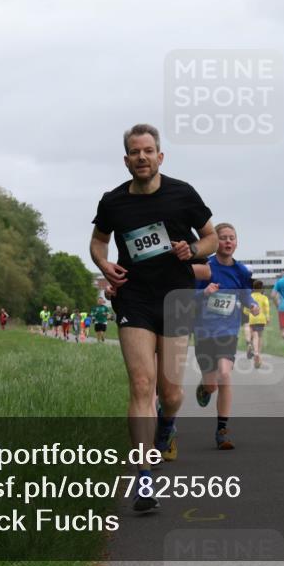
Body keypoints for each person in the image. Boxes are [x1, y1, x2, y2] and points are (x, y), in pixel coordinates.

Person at [90, 123, 217, 512]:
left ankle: (167, 424)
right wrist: (104, 264)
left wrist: (193, 249)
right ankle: (143, 478)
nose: (142, 157)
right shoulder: (113, 202)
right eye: (135, 152)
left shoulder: (183, 193)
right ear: (126, 159)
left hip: (176, 297)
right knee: (141, 383)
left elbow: (210, 238)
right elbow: (98, 241)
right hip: (135, 298)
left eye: (148, 151)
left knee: (170, 392)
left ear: (160, 156)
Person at [193, 223, 259, 450]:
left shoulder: (241, 271)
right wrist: (204, 292)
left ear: (237, 242)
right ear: (215, 242)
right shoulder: (205, 268)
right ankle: (204, 387)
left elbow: (246, 295)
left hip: (228, 332)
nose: (228, 241)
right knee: (212, 385)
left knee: (225, 374)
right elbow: (187, 297)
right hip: (203, 333)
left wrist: (252, 306)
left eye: (232, 238)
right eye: (223, 238)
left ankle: (222, 429)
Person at [245, 280, 270, 369]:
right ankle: (257, 355)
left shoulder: (249, 297)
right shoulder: (264, 297)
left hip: (251, 319)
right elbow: (266, 308)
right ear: (261, 288)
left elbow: (246, 310)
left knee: (253, 336)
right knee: (259, 337)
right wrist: (267, 317)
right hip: (261, 319)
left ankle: (251, 347)